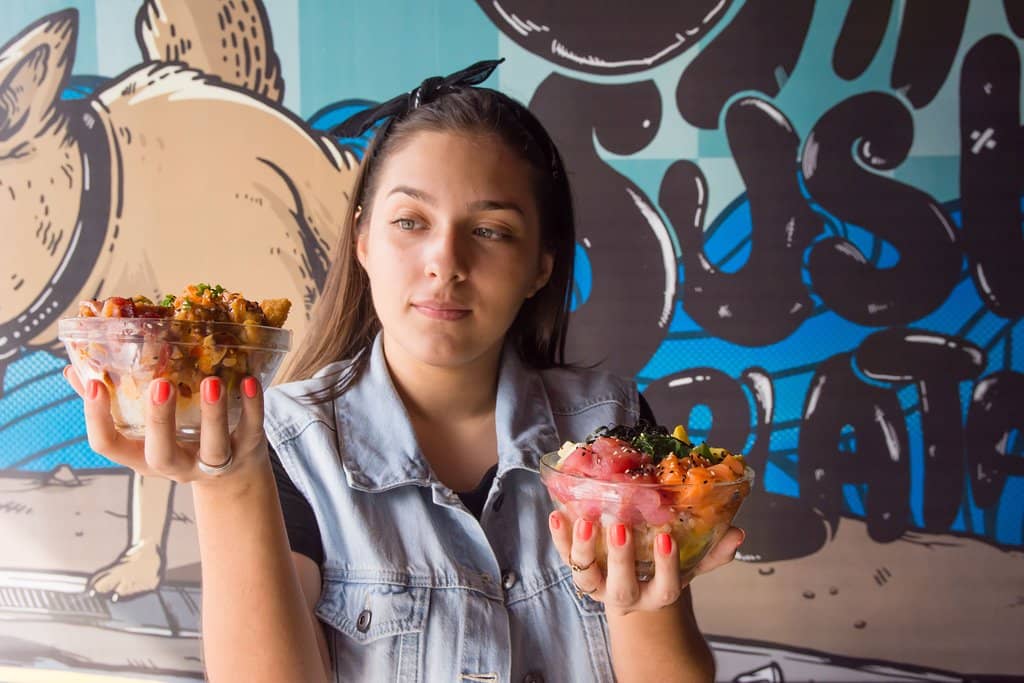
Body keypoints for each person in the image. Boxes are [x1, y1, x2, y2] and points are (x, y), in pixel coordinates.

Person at [63, 59, 744, 682]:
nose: (444, 261)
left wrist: (643, 590)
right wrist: (228, 482)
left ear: (541, 263)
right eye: (411, 221)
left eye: (491, 230)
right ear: (361, 239)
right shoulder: (285, 440)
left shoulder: (612, 427)